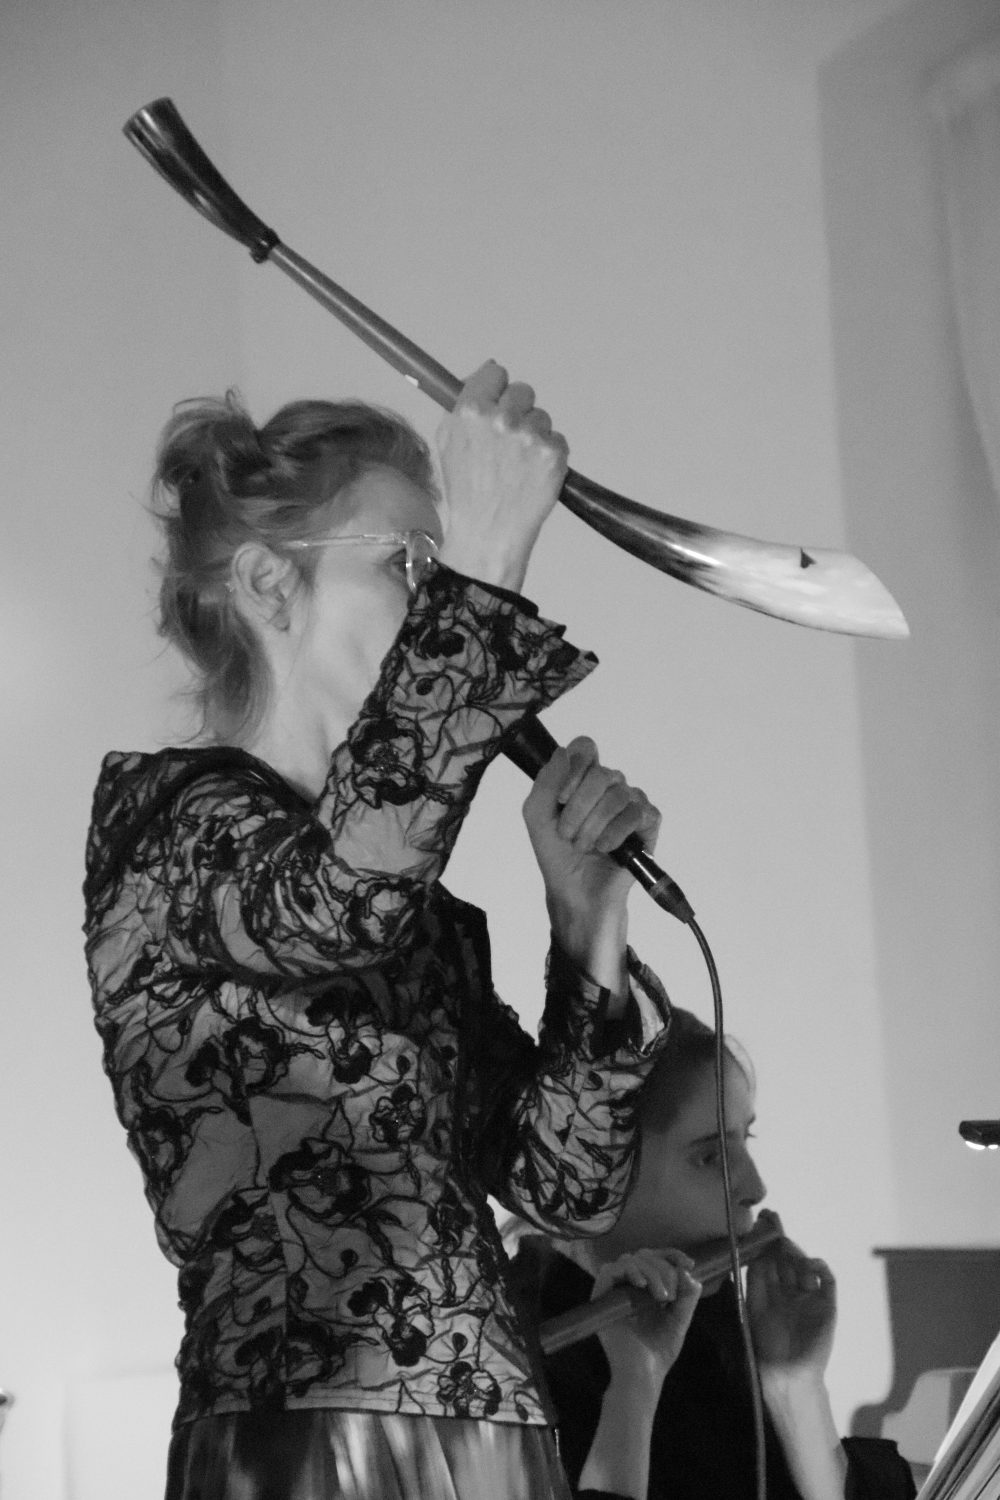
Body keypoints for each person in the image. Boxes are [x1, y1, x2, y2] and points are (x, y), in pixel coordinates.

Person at [82, 360, 675, 1500]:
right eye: (405, 563)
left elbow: (565, 1187)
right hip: (304, 1439)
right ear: (269, 582)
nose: (431, 594)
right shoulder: (167, 826)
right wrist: (484, 566)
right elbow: (336, 901)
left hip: (497, 1440)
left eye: (435, 567)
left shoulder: (410, 909)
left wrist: (586, 926)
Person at [509, 1008, 917, 1500]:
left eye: (746, 1139)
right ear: (593, 1181)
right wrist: (635, 1386)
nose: (755, 1187)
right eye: (709, 1156)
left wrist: (794, 1386)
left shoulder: (704, 1313)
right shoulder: (513, 1358)